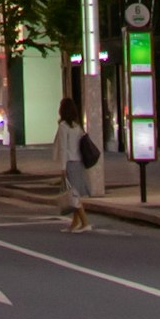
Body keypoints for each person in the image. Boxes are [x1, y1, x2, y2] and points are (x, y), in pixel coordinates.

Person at [54, 90, 98, 231]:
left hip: (70, 163)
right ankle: (75, 223)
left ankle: (85, 222)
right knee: (75, 194)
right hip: (79, 162)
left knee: (73, 195)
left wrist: (63, 168)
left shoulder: (63, 127)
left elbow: (63, 149)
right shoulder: (76, 126)